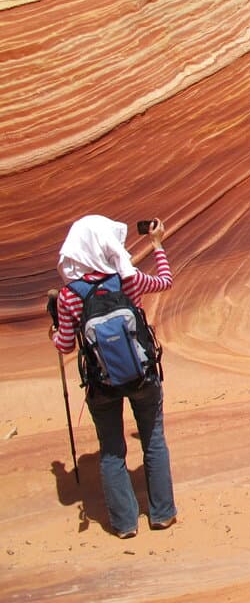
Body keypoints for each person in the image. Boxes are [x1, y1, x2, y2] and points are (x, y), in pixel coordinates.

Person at [50, 215, 177, 539]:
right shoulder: (128, 279)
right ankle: (161, 514)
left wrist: (53, 330)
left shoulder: (69, 296)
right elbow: (165, 280)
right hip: (142, 374)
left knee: (111, 451)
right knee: (153, 440)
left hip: (101, 382)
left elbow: (64, 344)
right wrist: (157, 243)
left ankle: (124, 524)